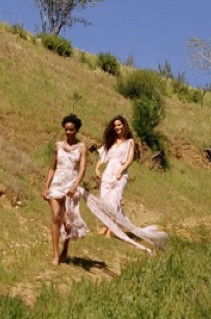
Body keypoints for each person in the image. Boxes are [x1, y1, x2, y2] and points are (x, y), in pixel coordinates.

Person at [84, 114, 168, 253]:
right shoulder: (111, 141)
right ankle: (107, 227)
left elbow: (129, 160)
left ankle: (110, 231)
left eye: (119, 125)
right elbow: (103, 157)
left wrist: (121, 171)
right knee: (105, 201)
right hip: (108, 173)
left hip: (120, 174)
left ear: (124, 126)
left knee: (115, 202)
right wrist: (97, 168)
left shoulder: (129, 142)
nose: (117, 127)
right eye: (115, 125)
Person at [43, 113, 88, 265]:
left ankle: (65, 249)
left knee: (67, 221)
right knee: (56, 216)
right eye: (66, 129)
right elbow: (52, 167)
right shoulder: (57, 146)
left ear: (76, 130)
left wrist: (75, 185)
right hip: (56, 184)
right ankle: (55, 254)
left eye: (71, 130)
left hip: (70, 186)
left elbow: (82, 169)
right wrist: (46, 187)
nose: (68, 132)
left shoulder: (81, 147)